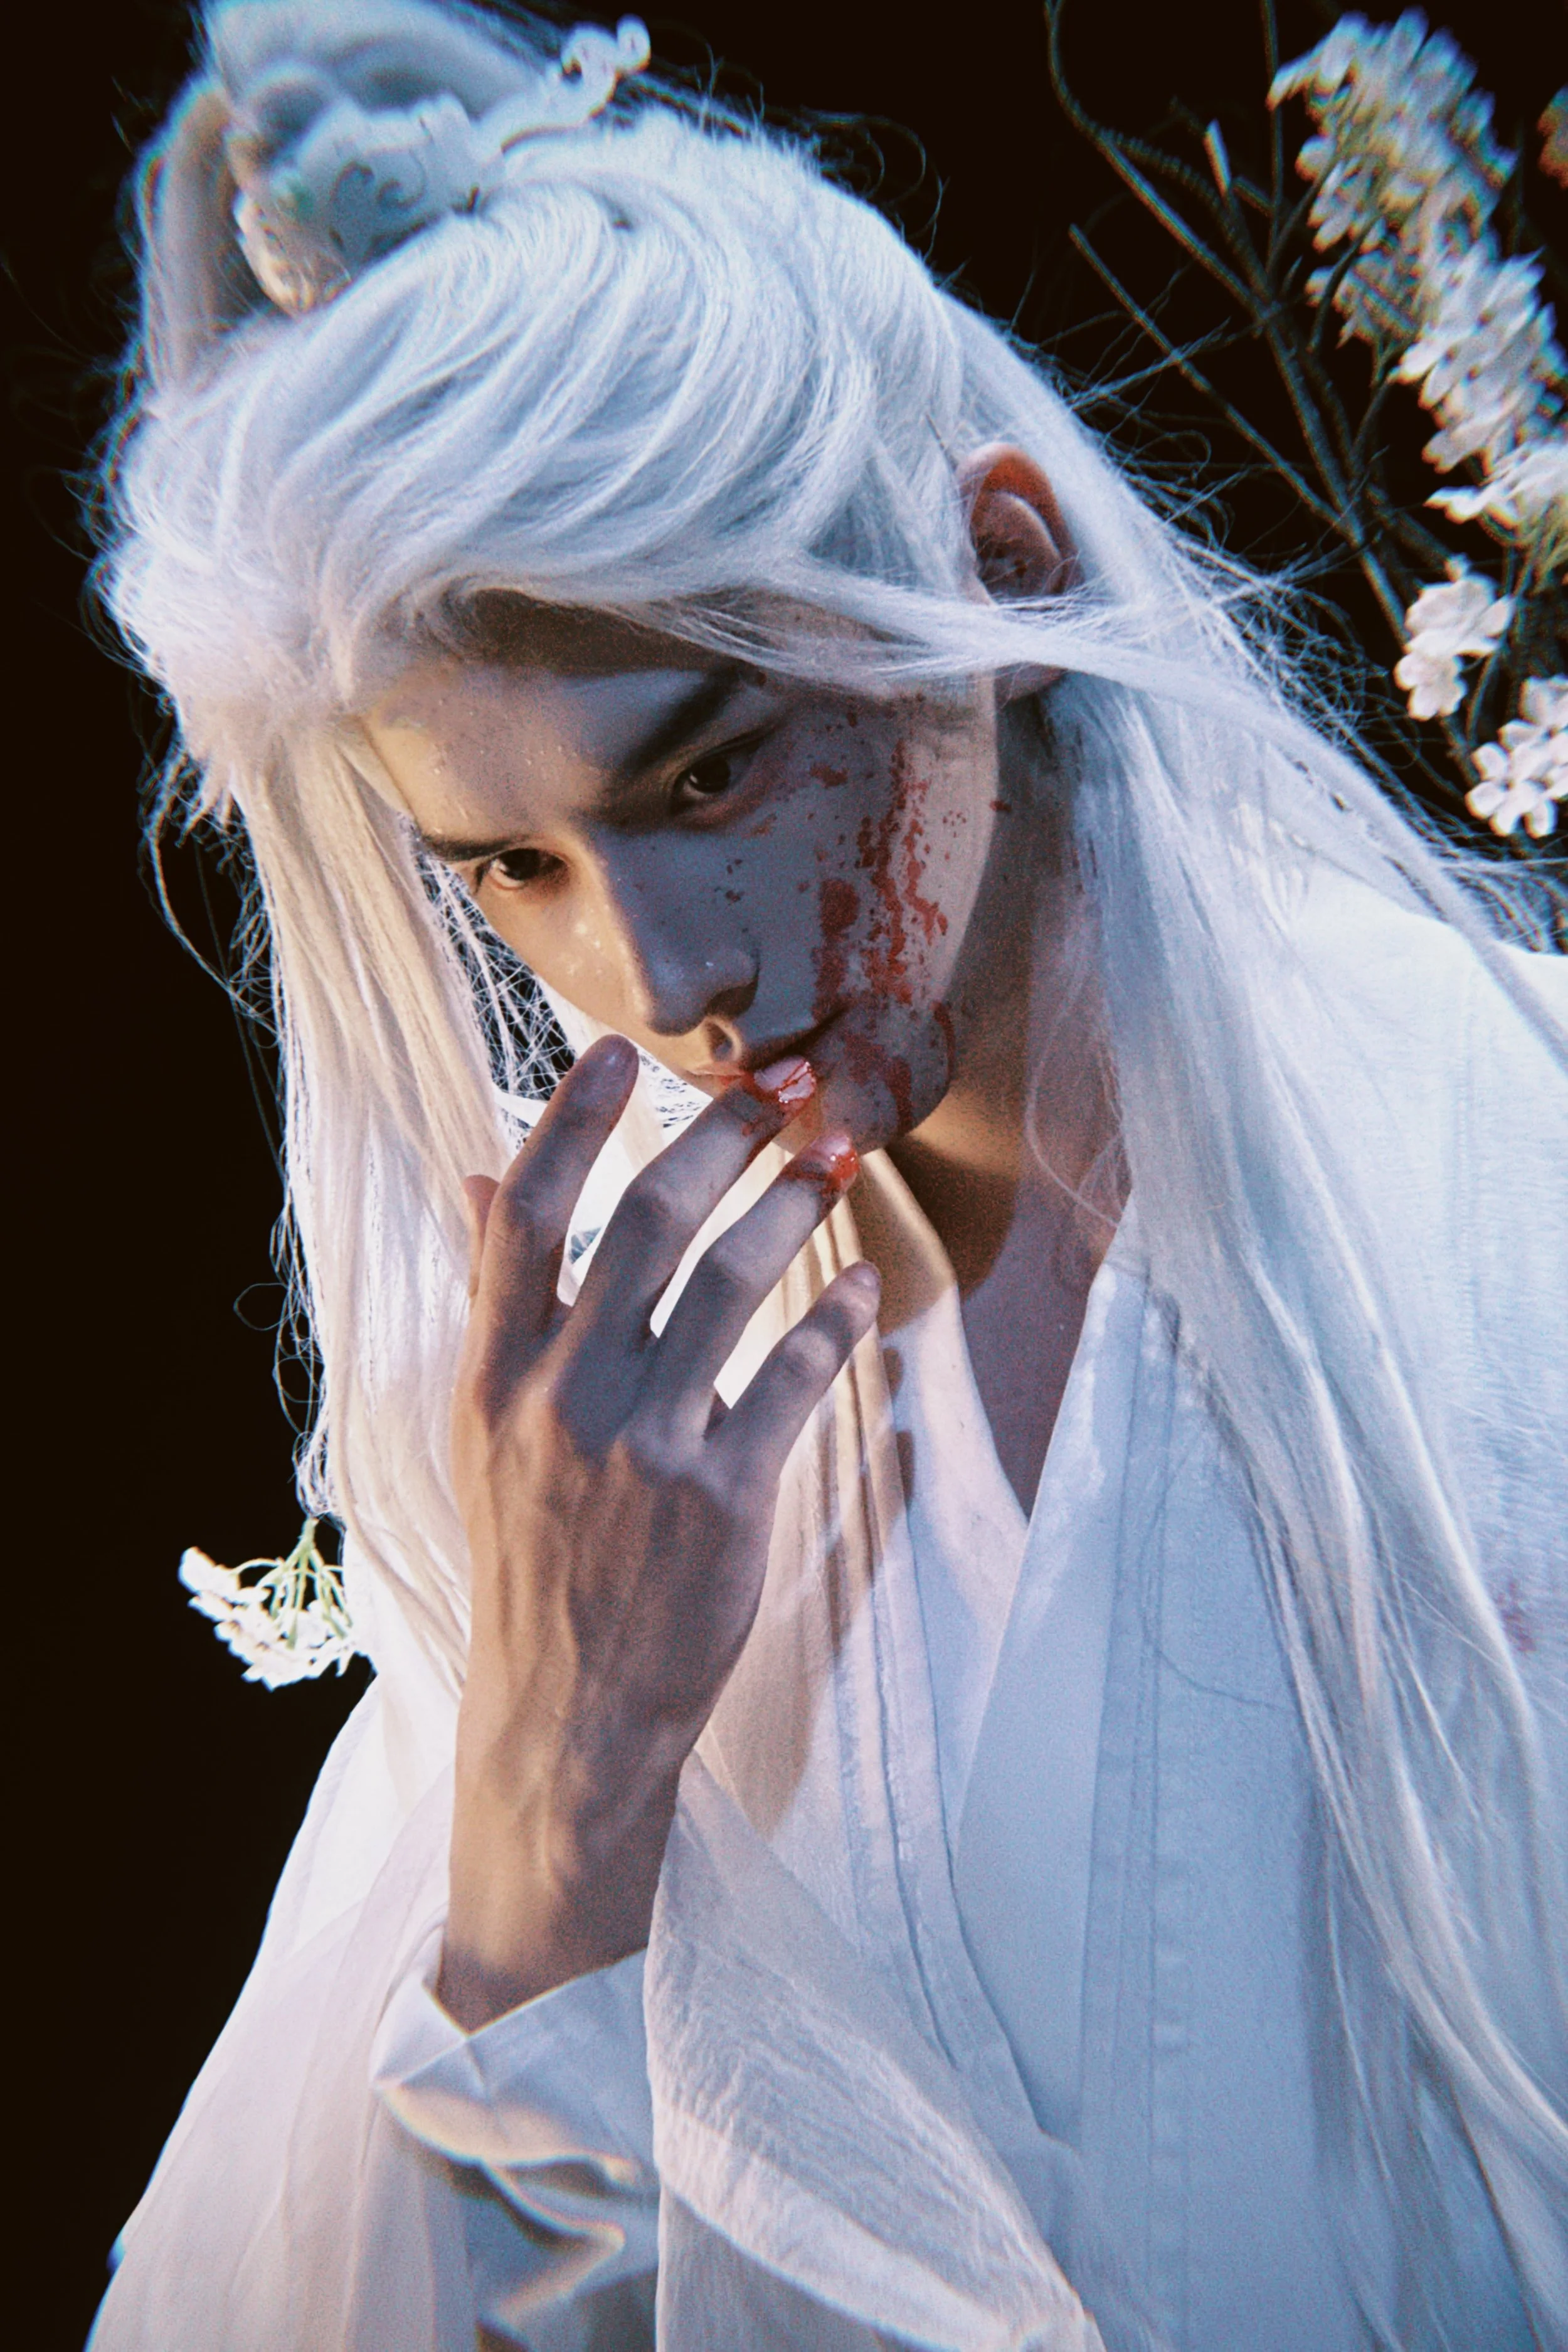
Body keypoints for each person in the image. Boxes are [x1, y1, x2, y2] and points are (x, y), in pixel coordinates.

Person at [90, 2, 1567, 2346]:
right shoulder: (612, 1428)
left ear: (986, 564)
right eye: (508, 866)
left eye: (707, 774)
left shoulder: (1501, 1175)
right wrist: (554, 1804)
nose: (657, 972)